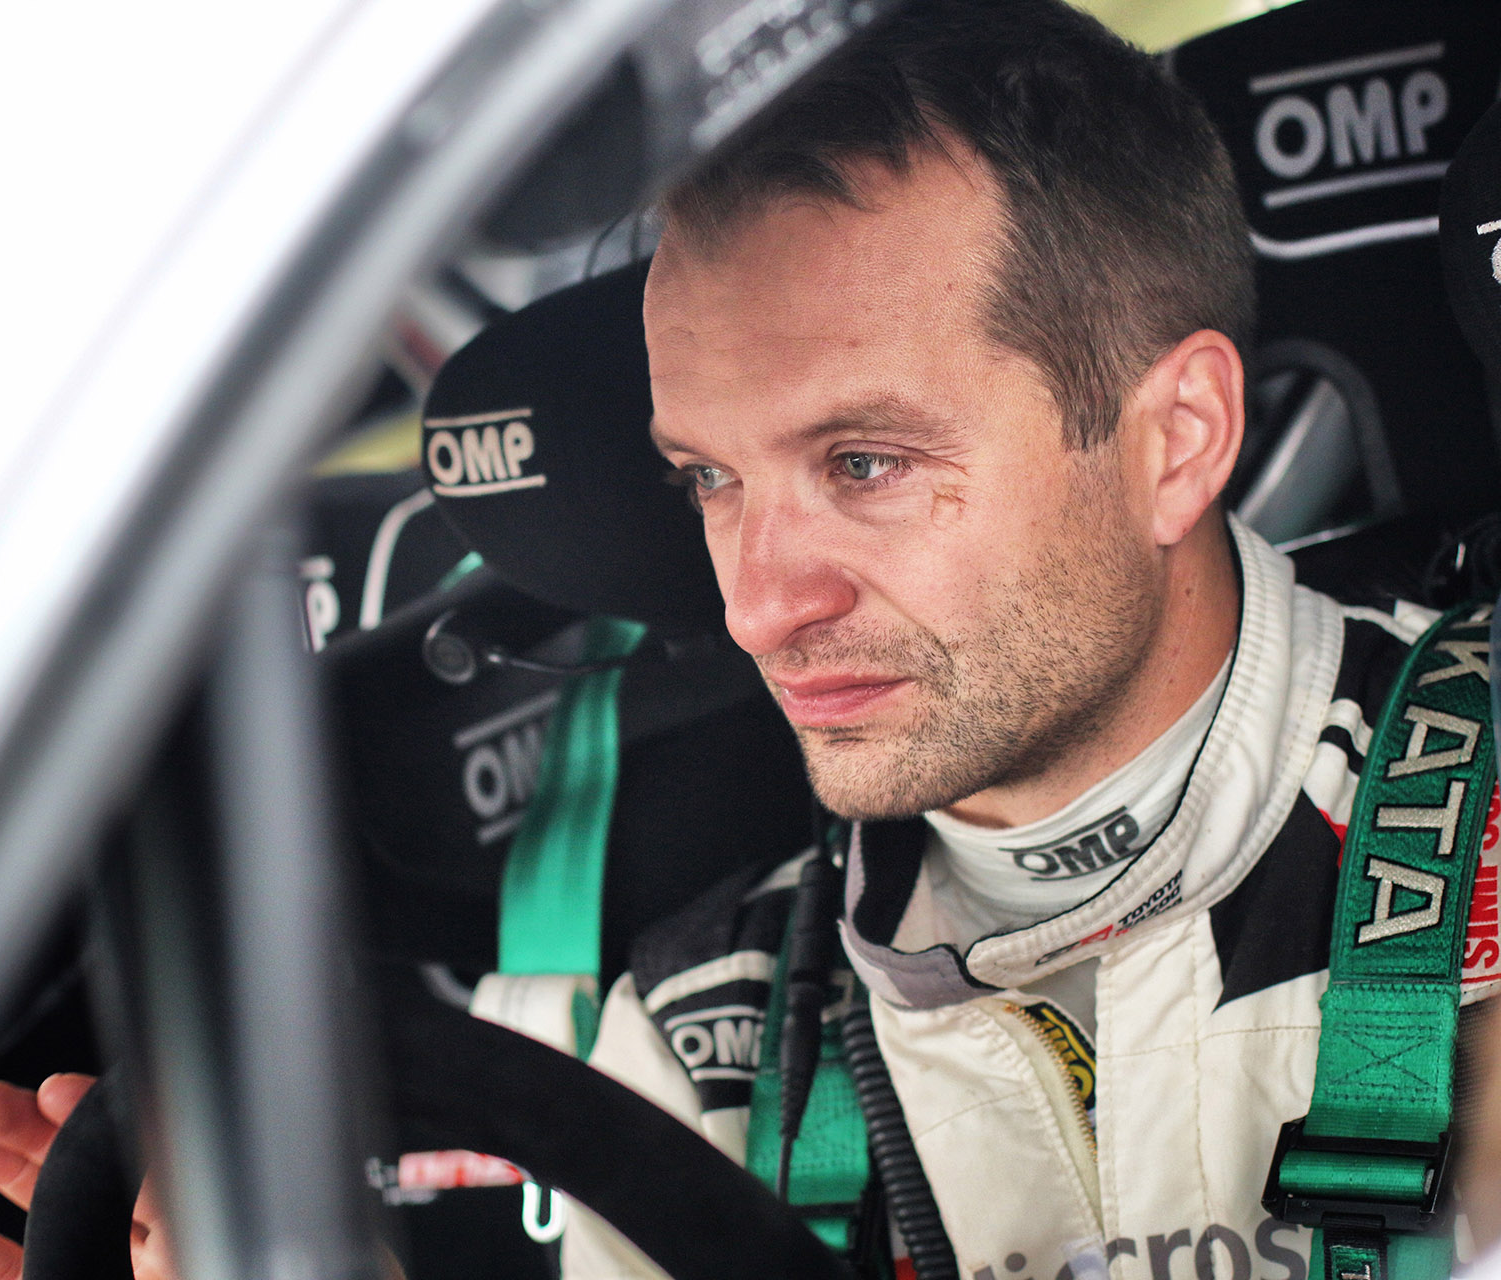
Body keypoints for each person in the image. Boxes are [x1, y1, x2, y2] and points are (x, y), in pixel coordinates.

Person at [562, 0, 1499, 1278]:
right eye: (709, 480)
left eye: (867, 461)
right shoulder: (694, 1051)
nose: (757, 607)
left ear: (1176, 440)